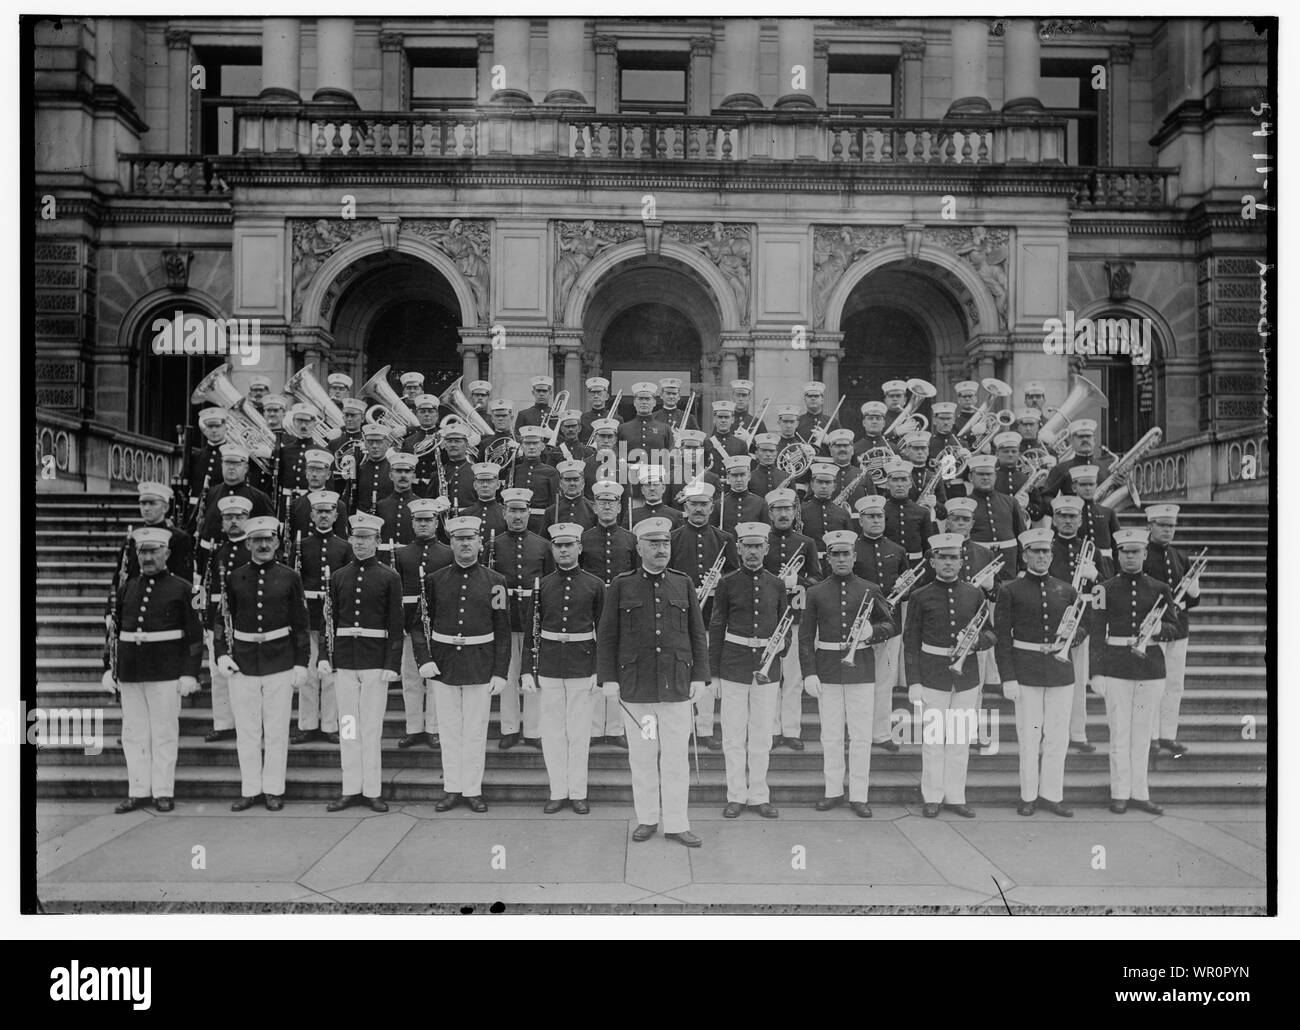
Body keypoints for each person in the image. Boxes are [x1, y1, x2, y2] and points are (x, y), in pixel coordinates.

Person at [598, 517, 710, 847]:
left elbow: (696, 633)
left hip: (676, 687)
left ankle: (676, 823)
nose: (661, 549)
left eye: (665, 544)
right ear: (639, 548)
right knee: (644, 757)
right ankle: (647, 818)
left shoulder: (683, 582)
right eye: (653, 544)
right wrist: (609, 678)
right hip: (639, 690)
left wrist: (700, 675)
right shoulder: (622, 584)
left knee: (676, 758)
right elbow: (607, 635)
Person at [411, 516, 512, 812]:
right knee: (450, 730)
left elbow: (503, 631)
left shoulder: (496, 582)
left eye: (470, 539)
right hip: (444, 666)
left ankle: (472, 789)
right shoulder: (434, 580)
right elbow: (419, 625)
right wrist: (424, 659)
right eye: (459, 539)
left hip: (480, 665)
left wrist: (500, 671)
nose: (465, 544)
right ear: (451, 543)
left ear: (480, 543)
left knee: (476, 730)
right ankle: (452, 788)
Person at [102, 527, 204, 813]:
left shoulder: (188, 589)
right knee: (134, 733)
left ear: (167, 553)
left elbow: (195, 635)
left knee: (164, 732)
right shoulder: (126, 588)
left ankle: (162, 791)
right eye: (143, 552)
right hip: (131, 671)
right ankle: (138, 790)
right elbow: (114, 633)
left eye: (154, 551)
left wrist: (190, 672)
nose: (148, 557)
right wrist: (109, 667)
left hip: (167, 670)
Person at [213, 516, 310, 812]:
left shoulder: (290, 577)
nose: (264, 545)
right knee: (247, 730)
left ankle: (273, 789)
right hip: (242, 663)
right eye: (257, 540)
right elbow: (221, 620)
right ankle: (250, 788)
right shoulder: (234, 577)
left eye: (268, 539)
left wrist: (301, 662)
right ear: (247, 543)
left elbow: (301, 623)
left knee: (277, 730)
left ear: (278, 542)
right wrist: (221, 653)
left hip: (280, 661)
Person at [800, 530, 895, 818]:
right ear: (827, 558)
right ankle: (833, 791)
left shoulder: (870, 588)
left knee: (861, 736)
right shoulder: (816, 592)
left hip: (861, 671)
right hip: (827, 670)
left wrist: (872, 633)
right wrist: (809, 673)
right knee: (830, 735)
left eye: (846, 554)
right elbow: (805, 637)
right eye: (835, 554)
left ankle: (859, 795)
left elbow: (890, 625)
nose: (841, 559)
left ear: (854, 556)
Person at [903, 532, 997, 818]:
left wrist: (976, 642)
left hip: (966, 676)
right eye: (942, 557)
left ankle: (956, 795)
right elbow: (911, 642)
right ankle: (932, 795)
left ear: (961, 561)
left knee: (959, 740)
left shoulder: (974, 593)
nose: (947, 562)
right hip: (933, 675)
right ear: (932, 561)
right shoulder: (920, 596)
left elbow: (990, 632)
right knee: (933, 741)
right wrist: (914, 681)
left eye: (953, 558)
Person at [1089, 527, 1180, 815]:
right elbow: (1095, 633)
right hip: (1115, 667)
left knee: (1142, 735)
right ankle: (1120, 792)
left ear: (1143, 553)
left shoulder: (1160, 588)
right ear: (1118, 555)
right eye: (1125, 552)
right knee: (1119, 734)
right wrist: (1096, 672)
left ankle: (1140, 793)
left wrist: (1157, 630)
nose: (1131, 557)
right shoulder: (1103, 589)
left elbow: (1175, 626)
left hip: (1150, 668)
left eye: (1136, 552)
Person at [995, 528, 1081, 818]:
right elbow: (1003, 639)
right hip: (1026, 671)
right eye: (1036, 551)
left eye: (1046, 551)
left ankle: (1051, 795)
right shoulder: (1010, 590)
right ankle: (1028, 795)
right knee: (1029, 737)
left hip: (1060, 672)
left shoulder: (1067, 590)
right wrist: (1007, 677)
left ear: (1052, 555)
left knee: (1058, 737)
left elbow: (1085, 624)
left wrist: (1073, 635)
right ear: (1025, 554)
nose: (1041, 556)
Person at [321, 512, 404, 813]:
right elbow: (328, 620)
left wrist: (392, 663)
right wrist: (324, 656)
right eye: (356, 538)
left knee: (370, 728)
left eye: (367, 538)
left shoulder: (389, 577)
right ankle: (350, 788)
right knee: (348, 726)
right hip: (344, 661)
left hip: (374, 662)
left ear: (377, 541)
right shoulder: (338, 576)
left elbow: (396, 625)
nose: (360, 543)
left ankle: (372, 790)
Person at [521, 523, 605, 814]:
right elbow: (531, 631)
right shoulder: (541, 585)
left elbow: (603, 633)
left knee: (579, 732)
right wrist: (526, 671)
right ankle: (558, 790)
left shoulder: (595, 585)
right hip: (549, 664)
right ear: (552, 549)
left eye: (570, 545)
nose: (564, 550)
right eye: (559, 546)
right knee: (553, 731)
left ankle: (578, 792)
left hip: (583, 665)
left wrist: (599, 670)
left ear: (580, 548)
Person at [709, 522, 786, 819]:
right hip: (734, 666)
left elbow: (784, 625)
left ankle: (758, 795)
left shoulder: (777, 584)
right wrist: (714, 674)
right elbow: (717, 627)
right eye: (747, 546)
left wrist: (782, 646)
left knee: (762, 735)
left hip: (767, 669)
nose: (752, 552)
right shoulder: (727, 583)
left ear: (766, 548)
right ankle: (736, 795)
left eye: (758, 546)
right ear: (738, 549)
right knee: (732, 735)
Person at [670, 481, 736, 751]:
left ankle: (705, 729)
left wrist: (721, 579)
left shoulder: (725, 539)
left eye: (704, 504)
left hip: (711, 617)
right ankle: (682, 728)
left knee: (705, 674)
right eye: (693, 504)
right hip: (680, 615)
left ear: (712, 507)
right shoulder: (673, 538)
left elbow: (735, 575)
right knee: (681, 672)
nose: (699, 509)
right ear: (685, 507)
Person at [492, 488, 553, 749]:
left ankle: (534, 730)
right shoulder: (492, 545)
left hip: (533, 619)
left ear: (530, 513)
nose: (517, 516)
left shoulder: (543, 545)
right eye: (512, 510)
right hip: (505, 619)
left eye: (522, 510)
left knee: (534, 676)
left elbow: (550, 584)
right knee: (507, 674)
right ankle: (509, 728)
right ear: (504, 513)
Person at [290, 490, 351, 745]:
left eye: (329, 511)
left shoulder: (344, 547)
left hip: (332, 617)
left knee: (331, 674)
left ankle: (330, 725)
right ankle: (306, 724)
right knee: (308, 672)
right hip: (307, 615)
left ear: (336, 515)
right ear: (312, 515)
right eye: (319, 512)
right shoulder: (300, 546)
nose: (324, 516)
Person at [763, 487, 821, 750]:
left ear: (794, 511)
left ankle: (791, 730)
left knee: (794, 678)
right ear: (770, 513)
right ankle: (773, 730)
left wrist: (798, 580)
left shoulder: (806, 543)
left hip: (796, 617)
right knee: (771, 678)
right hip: (768, 618)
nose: (783, 514)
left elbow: (818, 580)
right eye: (778, 509)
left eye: (787, 509)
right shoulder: (761, 540)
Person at [393, 496, 453, 750]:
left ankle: (433, 728)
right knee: (410, 678)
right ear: (412, 522)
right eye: (419, 520)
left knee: (436, 679)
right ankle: (413, 727)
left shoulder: (448, 553)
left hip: (437, 625)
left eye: (429, 520)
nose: (424, 524)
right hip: (410, 623)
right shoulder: (402, 554)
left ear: (437, 522)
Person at [581, 481, 637, 748]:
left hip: (621, 606)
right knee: (593, 663)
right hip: (590, 606)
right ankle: (593, 728)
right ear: (594, 506)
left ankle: (615, 728)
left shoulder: (630, 539)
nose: (606, 507)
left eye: (611, 503)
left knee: (618, 662)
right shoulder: (583, 538)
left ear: (619, 507)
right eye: (602, 503)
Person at [1144, 504, 1200, 758]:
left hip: (1178, 628)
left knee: (1174, 684)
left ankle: (1168, 735)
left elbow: (1194, 602)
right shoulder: (1142, 554)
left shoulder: (1181, 557)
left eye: (1171, 526)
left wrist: (1193, 591)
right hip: (1153, 630)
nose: (1168, 530)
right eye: (1162, 525)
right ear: (1150, 526)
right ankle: (1152, 736)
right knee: (1152, 684)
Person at [1049, 495, 1102, 754]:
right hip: (1051, 620)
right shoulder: (1044, 546)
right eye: (1062, 516)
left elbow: (1104, 592)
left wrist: (1096, 576)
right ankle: (1052, 732)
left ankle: (1077, 733)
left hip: (1082, 621)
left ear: (1080, 520)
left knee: (1079, 681)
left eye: (1072, 516)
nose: (1067, 521)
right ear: (1055, 519)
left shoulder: (1090, 548)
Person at [200, 494, 252, 743]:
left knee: (244, 673)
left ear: (247, 520)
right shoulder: (215, 552)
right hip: (215, 618)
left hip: (242, 620)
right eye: (228, 518)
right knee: (217, 671)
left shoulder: (252, 550)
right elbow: (204, 586)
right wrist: (203, 618)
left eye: (239, 517)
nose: (233, 522)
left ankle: (246, 722)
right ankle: (223, 723)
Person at [800, 462, 854, 564]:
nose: (824, 486)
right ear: (812, 484)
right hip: (810, 562)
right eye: (819, 482)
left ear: (834, 486)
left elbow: (850, 544)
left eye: (828, 482)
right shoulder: (802, 511)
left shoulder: (843, 513)